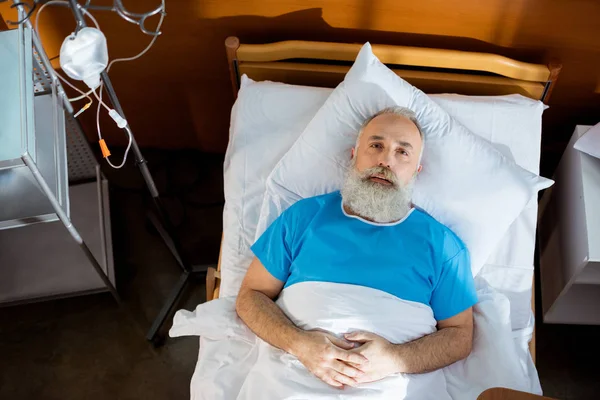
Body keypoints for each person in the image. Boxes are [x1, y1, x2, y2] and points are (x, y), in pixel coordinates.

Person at [236, 106, 478, 389]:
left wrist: (395, 359)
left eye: (402, 152)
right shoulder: (303, 217)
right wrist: (300, 344)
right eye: (376, 145)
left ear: (416, 171)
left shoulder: (444, 245)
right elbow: (250, 296)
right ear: (354, 155)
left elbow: (460, 336)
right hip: (292, 381)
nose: (385, 161)